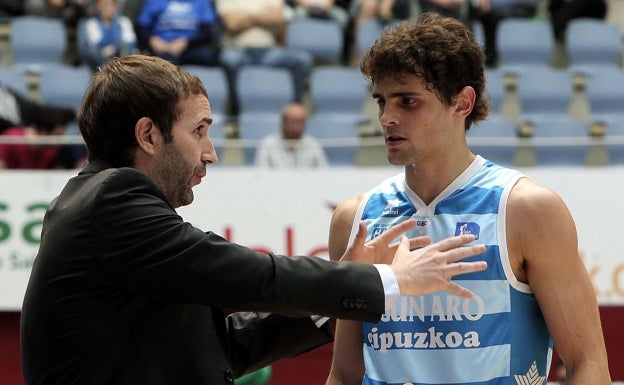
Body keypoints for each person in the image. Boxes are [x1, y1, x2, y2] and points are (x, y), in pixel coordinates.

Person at [19, 54, 489, 385]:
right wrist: (383, 280)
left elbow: (222, 351)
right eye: (199, 130)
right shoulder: (112, 200)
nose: (211, 152)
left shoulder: (97, 205)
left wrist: (336, 300)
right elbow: (252, 276)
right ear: (148, 135)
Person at [325, 13, 611, 385]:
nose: (386, 117)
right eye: (382, 101)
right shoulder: (354, 219)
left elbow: (586, 364)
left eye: (407, 101)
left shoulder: (527, 210)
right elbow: (345, 374)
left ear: (462, 103)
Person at [214, 0, 313, 114]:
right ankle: (236, 109)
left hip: (269, 51)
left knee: (303, 59)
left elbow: (278, 18)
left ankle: (294, 110)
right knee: (228, 59)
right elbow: (232, 23)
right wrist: (263, 17)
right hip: (238, 50)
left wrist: (245, 17)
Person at [135, 0, 221, 67]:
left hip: (191, 46)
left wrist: (186, 42)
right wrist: (152, 39)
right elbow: (141, 27)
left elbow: (207, 32)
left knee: (212, 57)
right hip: (163, 47)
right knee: (167, 62)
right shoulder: (155, 1)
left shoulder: (201, 2)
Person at [255, 102, 329, 168]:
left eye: (301, 123)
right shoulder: (268, 145)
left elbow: (324, 174)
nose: (297, 128)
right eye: (293, 123)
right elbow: (261, 177)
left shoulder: (312, 144)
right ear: (283, 122)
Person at [77, 0, 138, 69]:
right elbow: (93, 50)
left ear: (116, 6)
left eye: (111, 4)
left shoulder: (124, 21)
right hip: (97, 66)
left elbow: (131, 44)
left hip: (121, 65)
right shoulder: (90, 23)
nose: (107, 7)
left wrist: (114, 48)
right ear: (97, 6)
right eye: (104, 4)